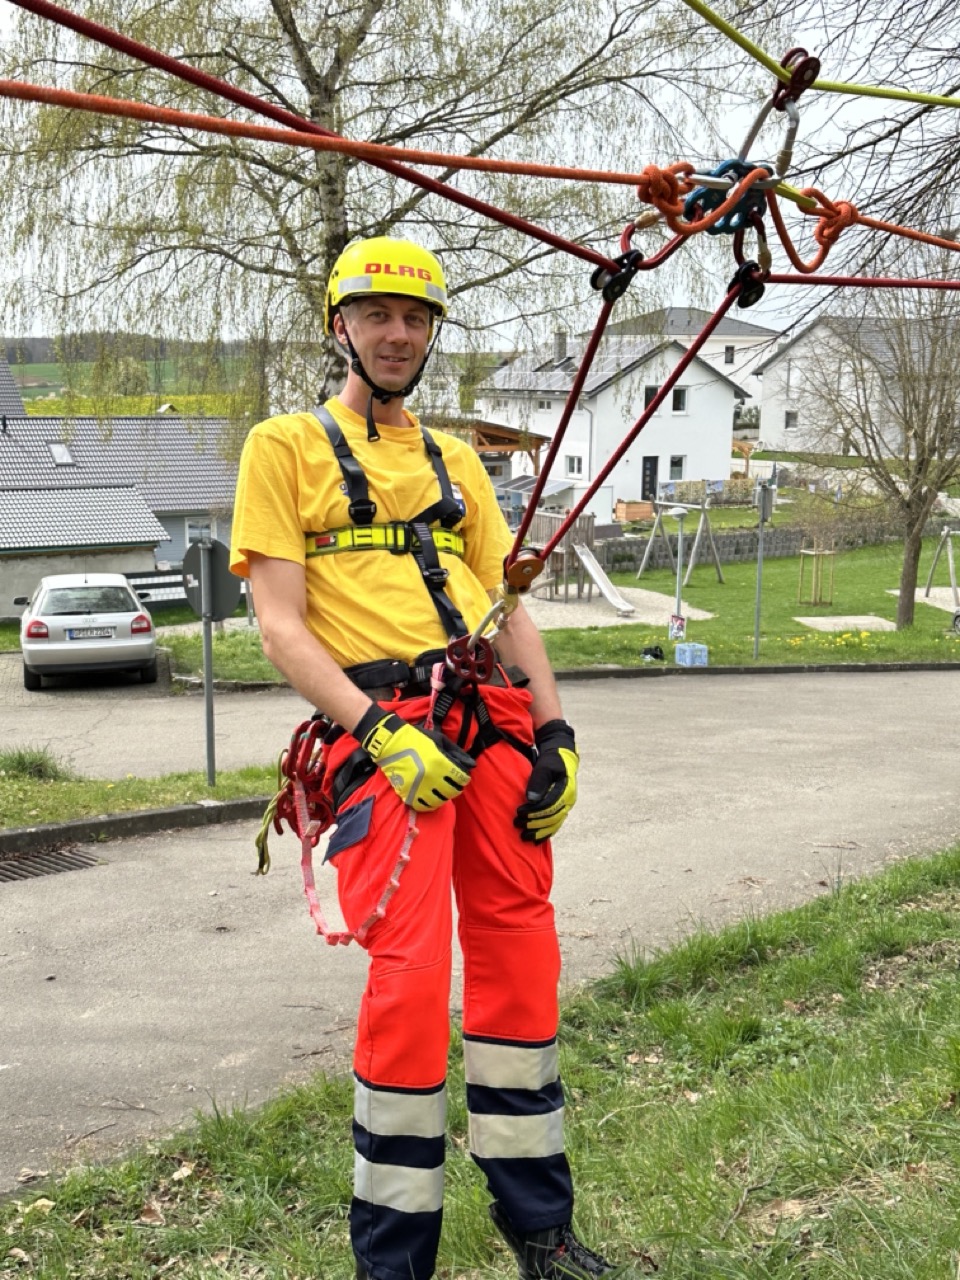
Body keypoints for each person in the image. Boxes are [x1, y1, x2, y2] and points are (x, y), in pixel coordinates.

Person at [230, 236, 630, 1280]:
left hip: (486, 724)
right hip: (385, 733)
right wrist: (372, 729)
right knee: (408, 985)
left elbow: (512, 604)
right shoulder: (285, 447)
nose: (397, 334)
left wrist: (556, 732)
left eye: (414, 320)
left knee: (520, 962)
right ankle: (394, 1258)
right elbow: (280, 625)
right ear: (340, 326)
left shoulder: (456, 460)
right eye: (376, 316)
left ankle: (539, 1226)